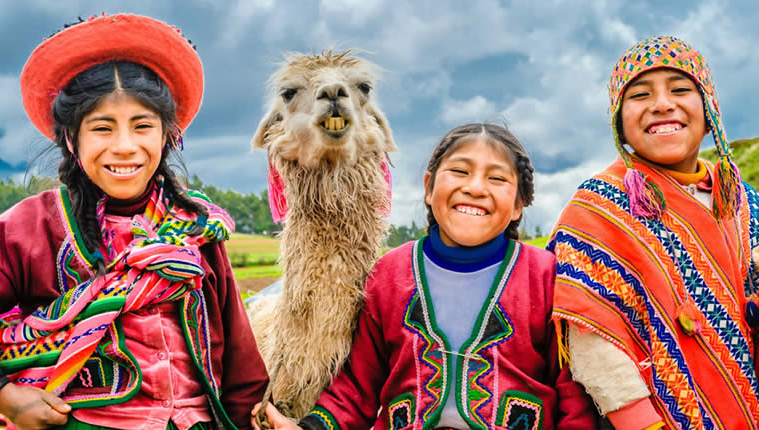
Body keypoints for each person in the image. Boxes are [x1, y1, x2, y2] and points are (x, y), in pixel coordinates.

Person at [0, 13, 268, 430]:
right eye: (102, 128)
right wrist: (7, 398)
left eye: (142, 126)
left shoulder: (195, 228)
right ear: (72, 139)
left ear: (167, 136)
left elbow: (239, 359)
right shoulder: (30, 228)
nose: (124, 146)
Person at [254, 123, 597, 429]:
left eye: (497, 178)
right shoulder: (390, 275)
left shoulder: (545, 276)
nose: (475, 187)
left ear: (519, 204)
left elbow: (572, 393)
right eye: (459, 171)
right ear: (429, 188)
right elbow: (357, 387)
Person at [549, 35, 759, 429]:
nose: (662, 104)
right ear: (619, 123)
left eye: (680, 90)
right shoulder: (597, 210)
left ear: (710, 111)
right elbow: (593, 335)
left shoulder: (743, 203)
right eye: (640, 95)